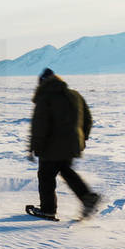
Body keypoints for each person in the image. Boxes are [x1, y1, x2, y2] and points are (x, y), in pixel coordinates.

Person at [27, 67, 100, 220]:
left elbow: (39, 125)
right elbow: (88, 120)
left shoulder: (45, 98)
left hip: (51, 145)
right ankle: (87, 197)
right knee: (65, 170)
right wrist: (82, 138)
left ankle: (48, 210)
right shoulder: (75, 95)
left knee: (46, 176)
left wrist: (34, 147)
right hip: (72, 144)